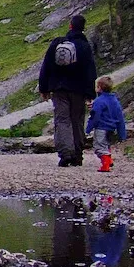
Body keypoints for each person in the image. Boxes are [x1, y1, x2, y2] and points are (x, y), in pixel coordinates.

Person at [39, 14, 98, 168]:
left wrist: (44, 88)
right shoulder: (84, 47)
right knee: (77, 121)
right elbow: (90, 71)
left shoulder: (57, 43)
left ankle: (66, 154)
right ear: (83, 28)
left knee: (62, 120)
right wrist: (90, 93)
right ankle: (78, 155)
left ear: (70, 26)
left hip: (59, 89)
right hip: (78, 90)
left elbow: (46, 66)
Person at [85, 76, 127, 173]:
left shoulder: (99, 101)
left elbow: (95, 115)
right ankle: (109, 160)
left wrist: (89, 128)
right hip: (111, 128)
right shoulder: (115, 101)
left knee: (99, 146)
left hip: (101, 127)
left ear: (99, 88)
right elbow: (120, 118)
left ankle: (106, 164)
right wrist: (122, 134)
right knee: (106, 144)